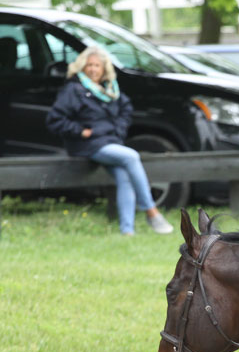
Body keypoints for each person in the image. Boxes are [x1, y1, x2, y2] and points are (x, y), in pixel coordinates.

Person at [45, 46, 173, 236]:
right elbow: (54, 120)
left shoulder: (111, 89)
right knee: (131, 157)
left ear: (104, 68)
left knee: (124, 177)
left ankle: (127, 232)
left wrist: (119, 130)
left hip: (110, 142)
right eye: (89, 65)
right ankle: (151, 212)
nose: (93, 69)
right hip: (86, 145)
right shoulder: (73, 89)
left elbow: (125, 113)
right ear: (81, 67)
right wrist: (81, 132)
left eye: (97, 65)